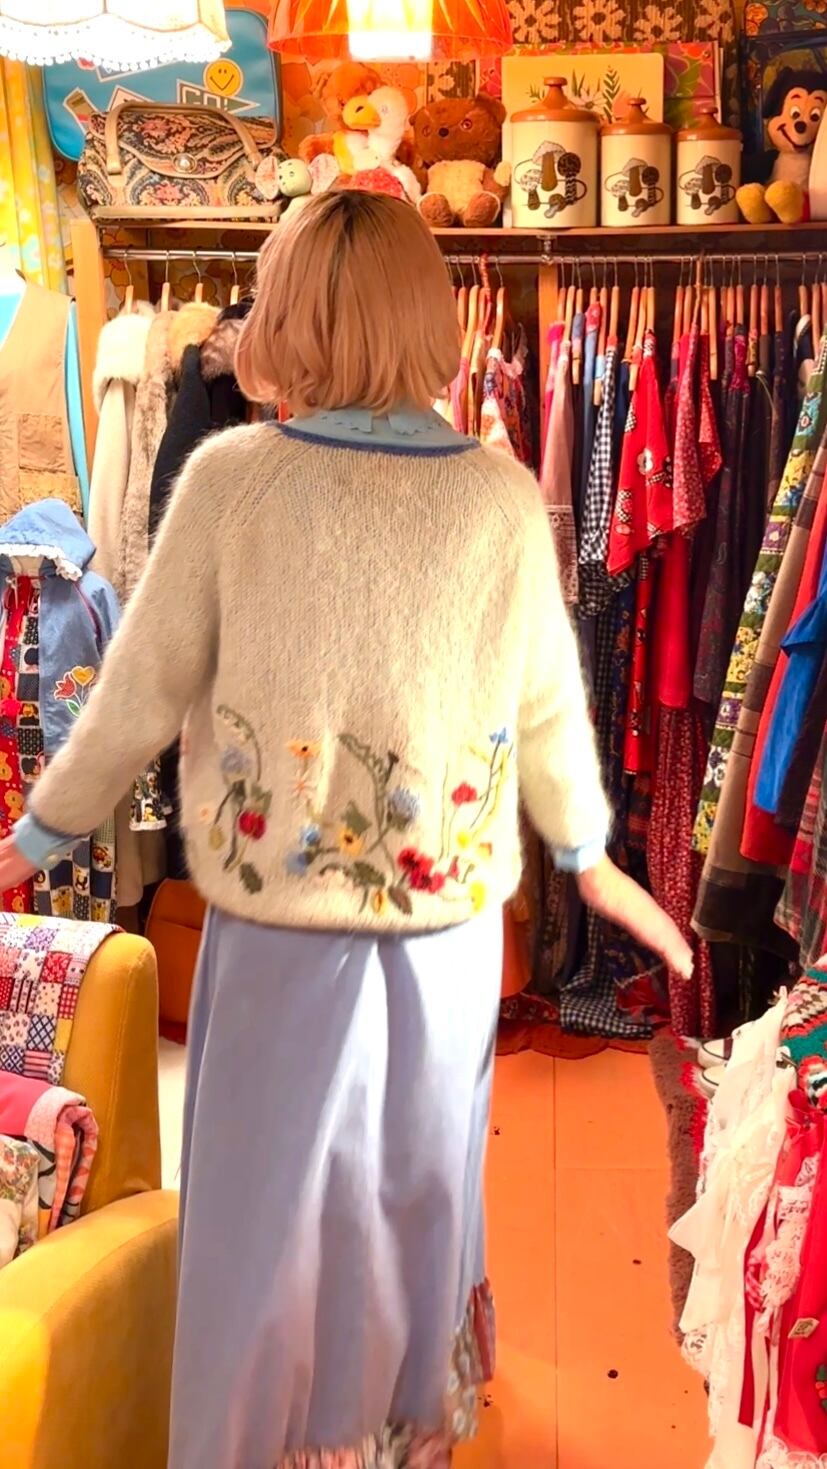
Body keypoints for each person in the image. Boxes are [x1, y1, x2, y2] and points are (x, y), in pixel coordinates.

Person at [0, 192, 691, 1469]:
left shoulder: (233, 482)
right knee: (414, 1201)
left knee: (267, 1224)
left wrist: (36, 839)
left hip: (282, 939)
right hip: (443, 934)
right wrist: (587, 856)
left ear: (292, 313)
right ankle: (397, 1440)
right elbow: (548, 706)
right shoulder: (492, 493)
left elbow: (138, 691)